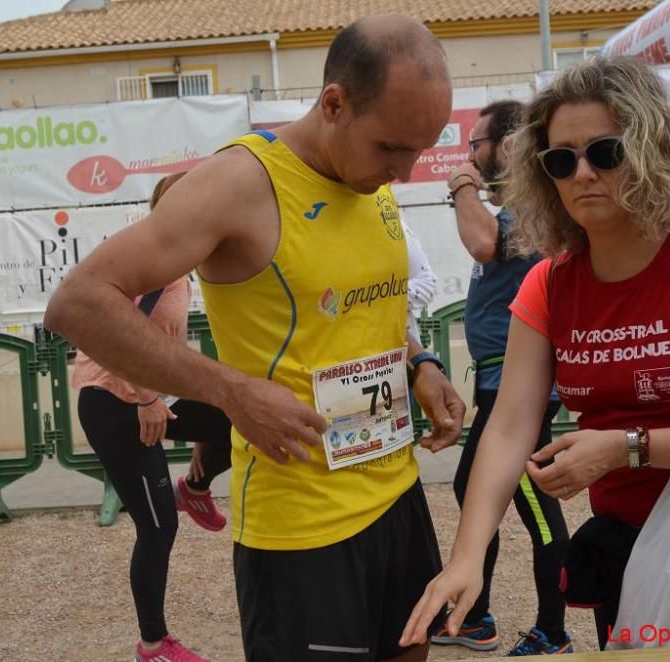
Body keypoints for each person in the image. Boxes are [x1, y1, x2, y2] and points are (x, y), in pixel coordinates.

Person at [46, 15, 466, 662]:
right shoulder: (243, 182)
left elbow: (358, 304)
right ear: (333, 103)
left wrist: (421, 362)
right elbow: (78, 303)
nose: (405, 172)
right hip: (303, 527)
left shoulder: (368, 176)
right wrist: (230, 391)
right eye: (391, 149)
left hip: (397, 495)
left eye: (419, 149)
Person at [401, 56, 670, 651]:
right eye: (561, 160)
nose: (583, 173)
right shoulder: (549, 283)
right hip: (626, 552)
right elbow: (508, 428)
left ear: (651, 150)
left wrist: (628, 449)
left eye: (606, 152)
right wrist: (466, 557)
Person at [178, 218, 438, 533]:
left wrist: (420, 356)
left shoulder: (387, 217)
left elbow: (424, 284)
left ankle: (192, 486)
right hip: (297, 492)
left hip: (381, 414)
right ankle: (190, 486)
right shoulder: (283, 221)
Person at [429, 101, 571, 656]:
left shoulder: (530, 215)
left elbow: (482, 242)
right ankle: (476, 617)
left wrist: (462, 186)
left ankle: (553, 634)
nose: (469, 156)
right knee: (471, 490)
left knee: (539, 510)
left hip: (522, 392)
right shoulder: (511, 211)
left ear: (506, 148)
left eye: (476, 145)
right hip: (499, 385)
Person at [71, 172, 232, 662]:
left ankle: (195, 490)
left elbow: (164, 352)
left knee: (232, 412)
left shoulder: (183, 263)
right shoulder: (153, 260)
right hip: (113, 403)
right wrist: (144, 399)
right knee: (158, 528)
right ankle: (153, 646)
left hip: (148, 399)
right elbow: (108, 335)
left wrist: (195, 421)